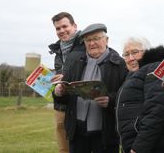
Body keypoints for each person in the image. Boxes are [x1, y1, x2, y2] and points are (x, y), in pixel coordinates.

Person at [53, 23, 127, 153]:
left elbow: (126, 97)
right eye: (88, 40)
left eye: (96, 39)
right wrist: (59, 93)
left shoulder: (119, 64)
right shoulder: (75, 62)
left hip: (105, 133)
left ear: (106, 40)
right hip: (77, 131)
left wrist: (110, 101)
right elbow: (64, 99)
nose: (92, 43)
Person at [116, 45, 164, 153]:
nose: (131, 58)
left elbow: (157, 110)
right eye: (126, 54)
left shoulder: (154, 69)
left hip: (153, 146)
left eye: (135, 52)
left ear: (145, 51)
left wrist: (139, 147)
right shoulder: (133, 75)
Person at [48, 12, 85, 153]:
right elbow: (60, 74)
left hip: (80, 104)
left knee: (81, 146)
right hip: (61, 105)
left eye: (65, 26)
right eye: (58, 28)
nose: (62, 31)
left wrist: (66, 76)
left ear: (74, 26)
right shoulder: (57, 50)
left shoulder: (85, 44)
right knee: (63, 148)